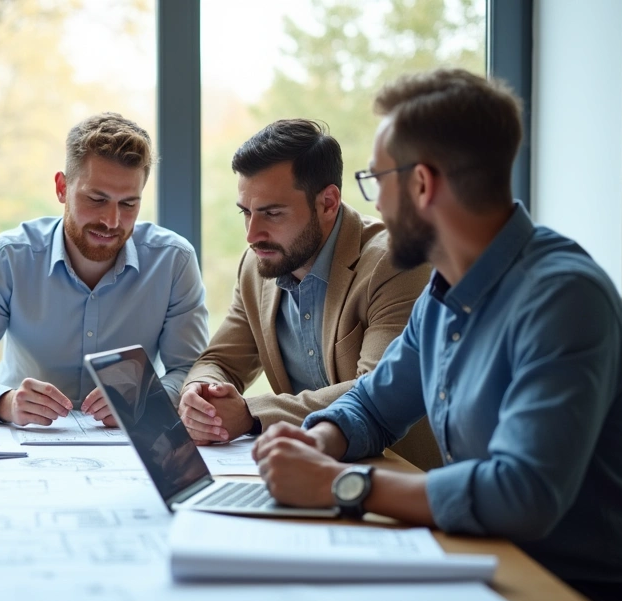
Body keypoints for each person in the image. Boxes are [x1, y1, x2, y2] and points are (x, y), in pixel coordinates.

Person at [251, 68, 622, 601]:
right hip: (481, 562)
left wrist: (341, 483)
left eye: (375, 181)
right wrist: (321, 443)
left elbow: (520, 493)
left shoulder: (562, 299)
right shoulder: (446, 288)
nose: (373, 204)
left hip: (572, 597)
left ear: (422, 184)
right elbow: (373, 406)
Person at [177, 119, 438, 469]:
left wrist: (251, 414)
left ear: (328, 202)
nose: (252, 234)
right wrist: (202, 395)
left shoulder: (396, 262)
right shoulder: (259, 265)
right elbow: (220, 361)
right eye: (246, 213)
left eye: (272, 213)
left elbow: (376, 392)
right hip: (307, 477)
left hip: (399, 480)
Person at [0, 112, 208, 426]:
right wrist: (3, 402)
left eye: (129, 204)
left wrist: (146, 397)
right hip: (24, 440)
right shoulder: (9, 256)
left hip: (131, 443)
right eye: (97, 199)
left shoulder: (173, 261)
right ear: (62, 188)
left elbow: (192, 371)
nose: (111, 221)